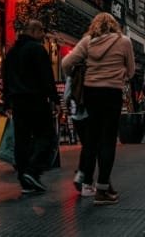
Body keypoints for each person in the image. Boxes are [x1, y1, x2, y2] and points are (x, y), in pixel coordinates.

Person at [61, 12, 134, 206]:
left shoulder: (87, 42)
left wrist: (77, 73)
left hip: (91, 93)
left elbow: (66, 63)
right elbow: (132, 71)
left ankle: (88, 180)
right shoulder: (124, 41)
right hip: (112, 93)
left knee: (92, 138)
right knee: (108, 140)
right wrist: (120, 74)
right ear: (114, 25)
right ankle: (102, 189)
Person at [3, 19, 60, 195]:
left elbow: (6, 79)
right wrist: (55, 99)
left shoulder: (11, 53)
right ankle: (32, 170)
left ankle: (25, 180)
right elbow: (46, 76)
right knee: (47, 136)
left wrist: (7, 102)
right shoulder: (37, 49)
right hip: (36, 100)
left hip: (18, 103)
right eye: (42, 31)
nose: (43, 35)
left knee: (22, 140)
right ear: (34, 30)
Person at [62, 63, 94, 196]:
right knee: (91, 147)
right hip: (89, 114)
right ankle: (85, 180)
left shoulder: (72, 73)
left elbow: (66, 96)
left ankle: (82, 175)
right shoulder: (91, 72)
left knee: (87, 146)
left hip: (76, 115)